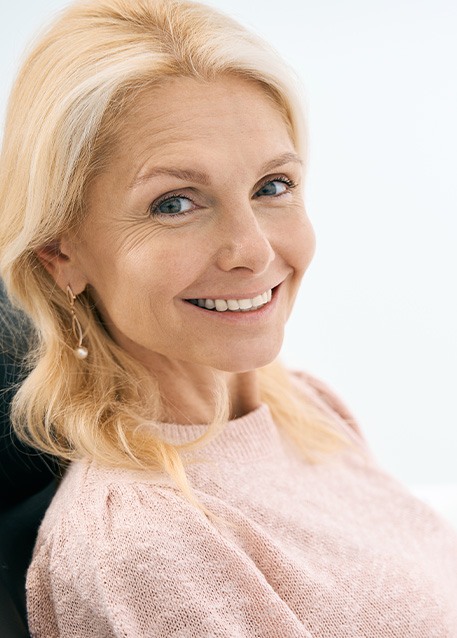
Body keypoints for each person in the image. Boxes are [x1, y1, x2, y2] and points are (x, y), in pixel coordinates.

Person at [0, 0, 456, 636]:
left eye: (273, 187)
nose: (254, 251)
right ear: (60, 254)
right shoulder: (143, 548)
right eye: (175, 203)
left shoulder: (303, 408)